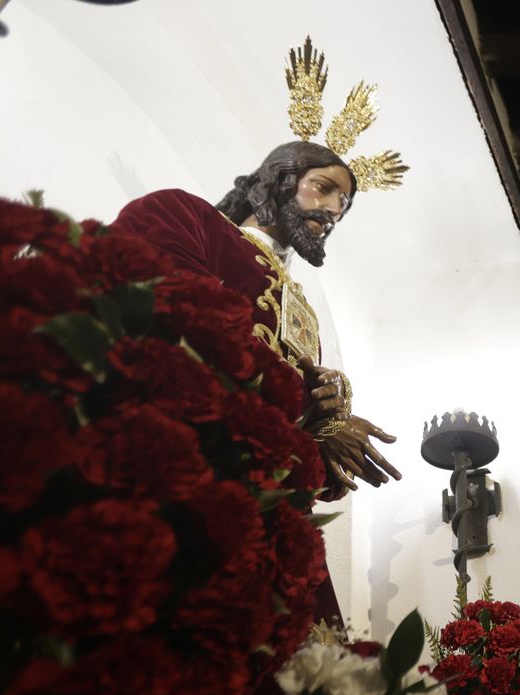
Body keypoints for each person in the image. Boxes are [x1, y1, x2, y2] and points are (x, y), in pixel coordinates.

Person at [111, 140, 401, 500]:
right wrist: (309, 406)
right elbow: (179, 312)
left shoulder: (304, 312)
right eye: (324, 188)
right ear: (279, 180)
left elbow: (295, 458)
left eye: (343, 203)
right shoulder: (182, 214)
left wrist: (329, 420)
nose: (333, 210)